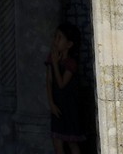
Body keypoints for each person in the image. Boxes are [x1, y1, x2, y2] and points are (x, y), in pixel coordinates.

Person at [46, 23, 86, 152]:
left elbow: (61, 84)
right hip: (57, 104)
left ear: (69, 44)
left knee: (71, 142)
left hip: (69, 105)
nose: (55, 41)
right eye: (55, 37)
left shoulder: (70, 63)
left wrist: (56, 64)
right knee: (57, 141)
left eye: (59, 38)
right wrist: (51, 103)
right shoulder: (51, 58)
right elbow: (49, 81)